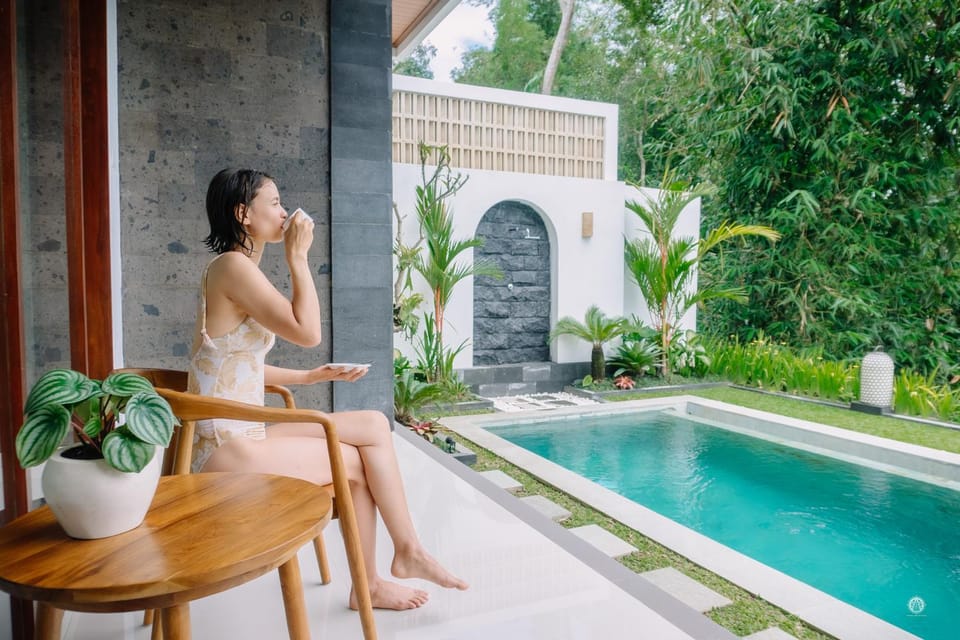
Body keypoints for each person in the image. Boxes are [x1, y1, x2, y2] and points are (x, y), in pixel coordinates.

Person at [187, 167, 468, 611]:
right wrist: (299, 259)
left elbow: (231, 367)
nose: (284, 212)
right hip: (226, 447)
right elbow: (308, 331)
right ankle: (382, 572)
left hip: (242, 435)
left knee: (374, 425)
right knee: (355, 463)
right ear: (244, 213)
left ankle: (396, 559)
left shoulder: (235, 269)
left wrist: (309, 377)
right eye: (275, 202)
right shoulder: (233, 267)